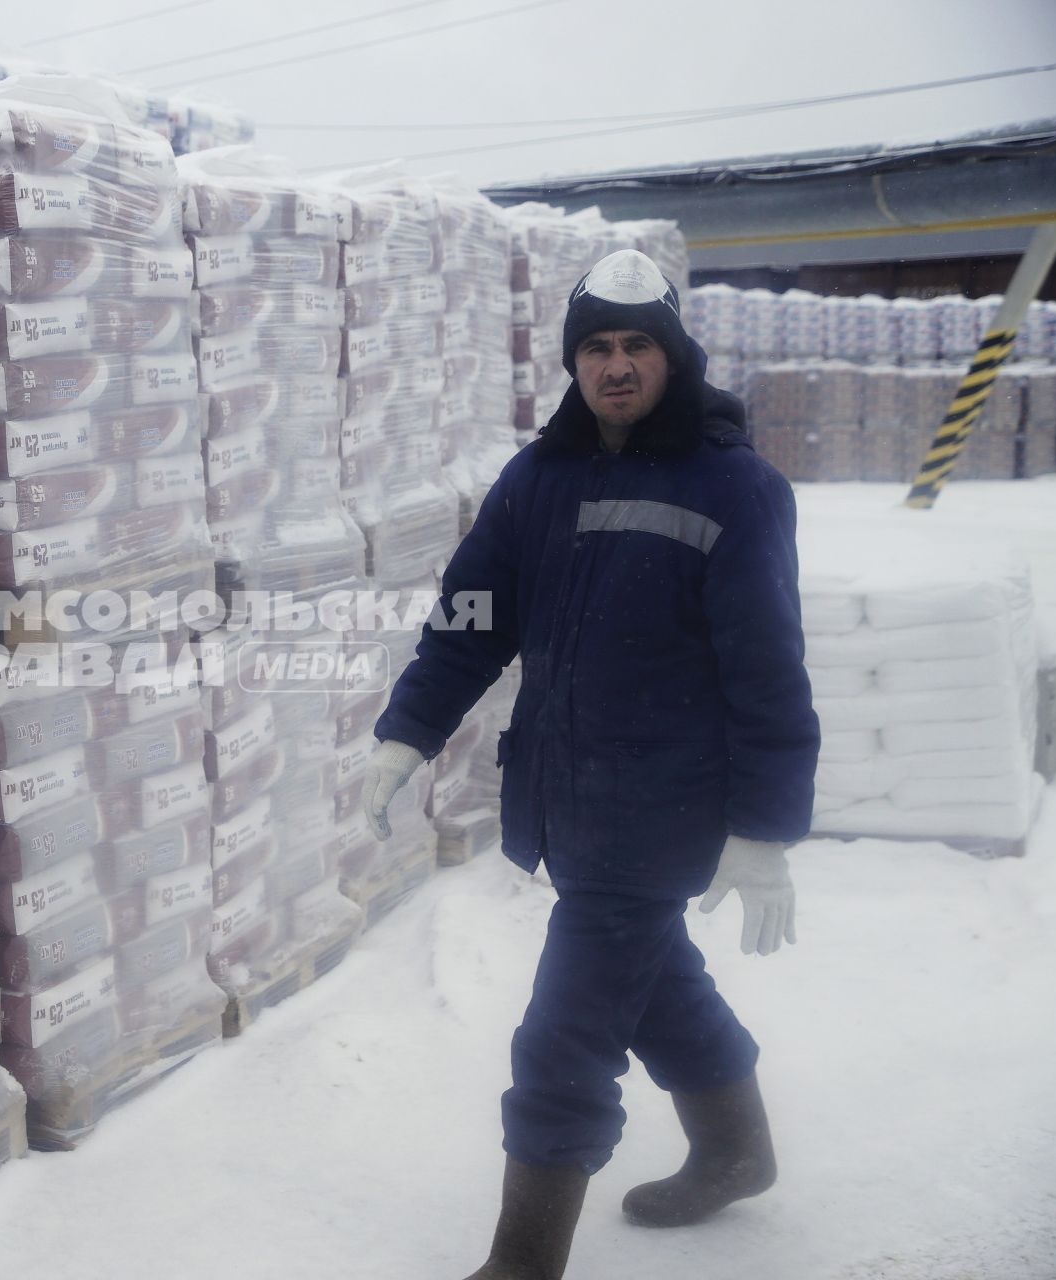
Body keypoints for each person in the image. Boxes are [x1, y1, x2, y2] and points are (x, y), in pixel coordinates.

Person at [363, 249, 819, 1280]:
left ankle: (522, 1260)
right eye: (596, 346)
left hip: (660, 810)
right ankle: (734, 1149)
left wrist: (762, 829)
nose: (615, 365)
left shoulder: (733, 486)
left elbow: (767, 666)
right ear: (573, 361)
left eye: (636, 344)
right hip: (563, 797)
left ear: (671, 354)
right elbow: (468, 619)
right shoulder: (537, 478)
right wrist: (406, 733)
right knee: (657, 985)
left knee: (561, 1042)